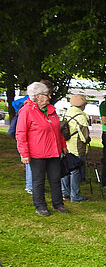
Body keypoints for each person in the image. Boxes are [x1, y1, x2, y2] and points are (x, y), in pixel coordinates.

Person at [16, 82, 69, 216]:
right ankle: (40, 206)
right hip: (37, 153)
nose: (49, 97)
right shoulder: (27, 111)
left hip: (54, 151)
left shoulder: (51, 110)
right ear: (37, 96)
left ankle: (58, 204)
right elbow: (21, 133)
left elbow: (57, 130)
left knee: (56, 179)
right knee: (38, 180)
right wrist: (24, 153)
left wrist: (63, 145)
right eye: (47, 95)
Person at [61, 94, 90, 203]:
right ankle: (75, 195)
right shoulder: (81, 117)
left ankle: (65, 192)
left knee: (65, 168)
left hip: (65, 145)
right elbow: (84, 136)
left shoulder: (65, 114)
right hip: (77, 147)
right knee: (75, 171)